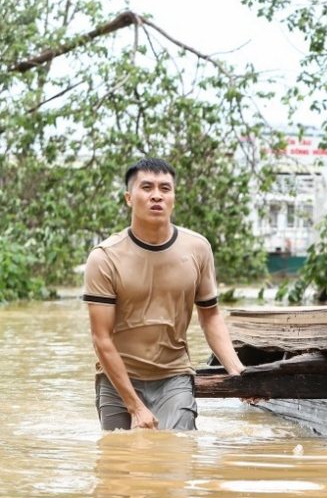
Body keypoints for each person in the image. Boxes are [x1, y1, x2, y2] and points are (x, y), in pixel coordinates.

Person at [83, 157, 246, 431]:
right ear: (128, 198)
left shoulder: (197, 248)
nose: (156, 195)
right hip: (117, 380)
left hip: (174, 376)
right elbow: (101, 339)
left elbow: (211, 317)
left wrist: (238, 373)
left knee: (178, 457)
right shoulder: (104, 257)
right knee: (118, 465)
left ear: (174, 197)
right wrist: (135, 406)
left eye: (164, 188)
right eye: (146, 187)